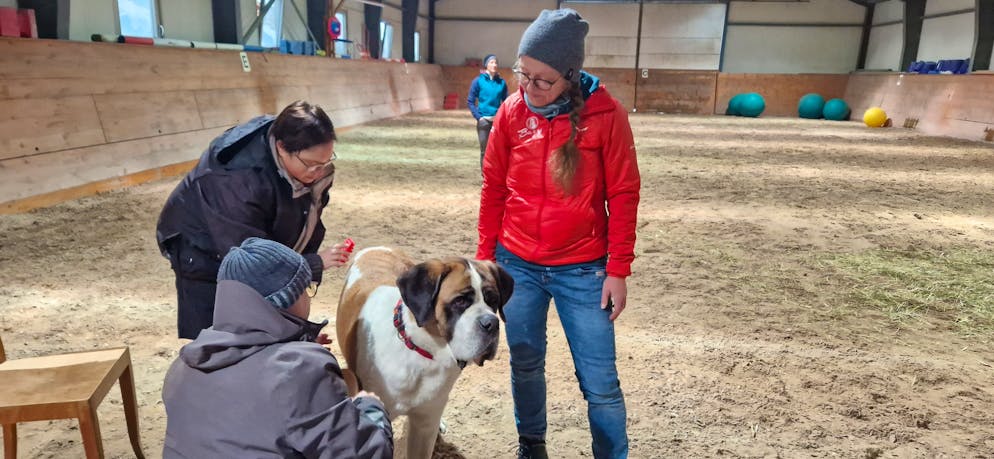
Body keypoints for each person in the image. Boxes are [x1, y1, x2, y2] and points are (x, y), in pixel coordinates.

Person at [476, 8, 640, 459]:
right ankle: (532, 445)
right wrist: (486, 259)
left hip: (584, 269)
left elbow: (624, 194)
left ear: (571, 75)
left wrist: (617, 269)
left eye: (542, 81)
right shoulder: (511, 111)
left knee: (600, 382)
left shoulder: (607, 116)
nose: (528, 88)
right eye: (522, 74)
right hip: (516, 265)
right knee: (525, 364)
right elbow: (493, 189)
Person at [162, 237, 393, 458]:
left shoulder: (182, 367)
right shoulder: (301, 370)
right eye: (306, 289)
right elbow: (366, 453)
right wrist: (371, 407)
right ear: (288, 299)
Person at [156, 100, 352, 339]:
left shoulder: (301, 160)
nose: (319, 172)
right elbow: (255, 266)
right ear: (281, 148)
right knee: (219, 330)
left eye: (326, 161)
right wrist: (313, 263)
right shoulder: (237, 180)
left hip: (248, 238)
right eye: (311, 164)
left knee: (264, 312)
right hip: (203, 251)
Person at [467, 53, 508, 167]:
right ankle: (485, 177)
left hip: (497, 122)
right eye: (491, 62)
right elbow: (470, 101)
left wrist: (502, 116)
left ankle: (496, 177)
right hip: (484, 121)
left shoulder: (502, 83)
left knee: (497, 151)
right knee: (484, 151)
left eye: (496, 62)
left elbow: (506, 102)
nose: (494, 65)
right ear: (486, 65)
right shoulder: (478, 81)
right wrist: (478, 117)